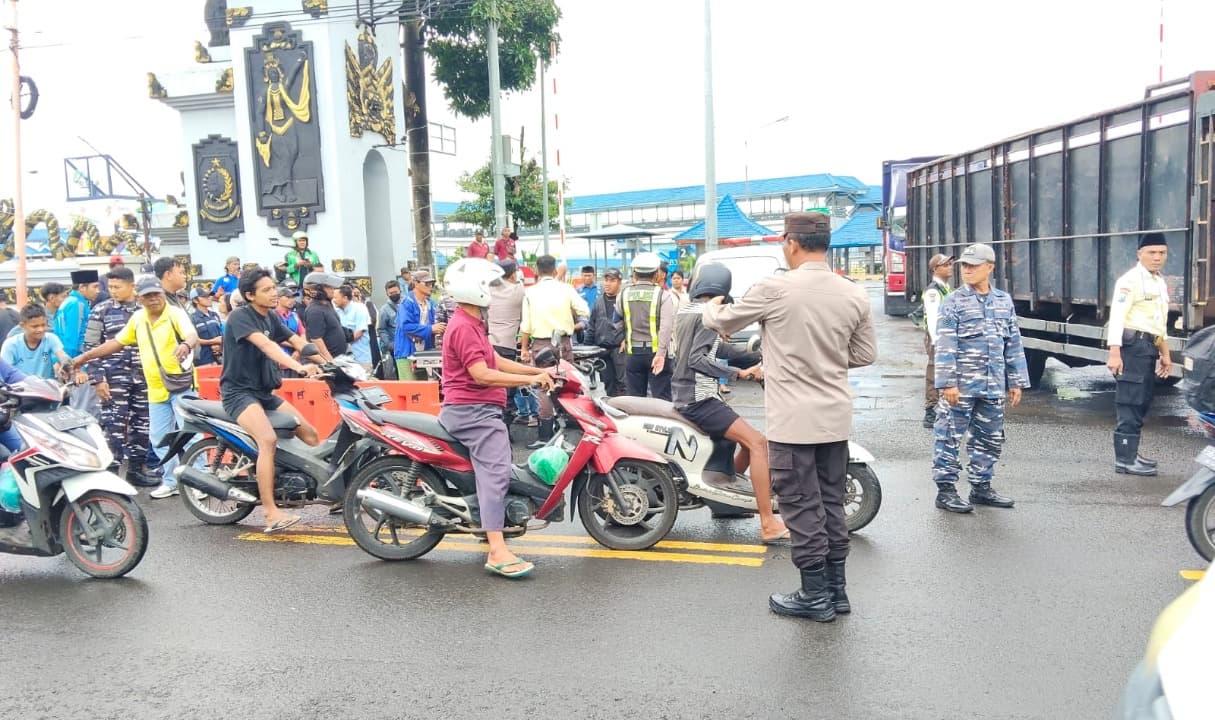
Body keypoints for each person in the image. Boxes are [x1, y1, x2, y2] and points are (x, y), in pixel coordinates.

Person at [703, 211, 876, 621]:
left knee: (799, 505)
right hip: (835, 418)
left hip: (793, 422)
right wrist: (825, 358)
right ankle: (837, 592)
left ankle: (814, 595)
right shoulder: (853, 293)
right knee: (831, 502)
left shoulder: (775, 289)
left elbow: (723, 321)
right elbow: (865, 354)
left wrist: (710, 306)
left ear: (791, 243)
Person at [436, 258, 555, 578]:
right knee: (497, 472)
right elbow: (482, 374)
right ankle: (497, 549)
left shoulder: (471, 322)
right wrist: (529, 381)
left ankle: (489, 526)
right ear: (474, 290)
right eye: (488, 285)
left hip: (478, 409)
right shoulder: (463, 326)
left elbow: (497, 360)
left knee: (494, 470)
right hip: (472, 412)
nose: (492, 291)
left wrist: (537, 371)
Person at [673, 262, 788, 544]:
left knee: (748, 442)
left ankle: (725, 503)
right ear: (722, 291)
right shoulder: (708, 316)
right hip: (699, 399)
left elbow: (717, 348)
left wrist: (755, 358)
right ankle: (768, 523)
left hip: (688, 395)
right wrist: (739, 373)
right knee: (758, 444)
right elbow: (696, 359)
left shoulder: (687, 310)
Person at [72, 275, 200, 500]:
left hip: (180, 385)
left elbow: (191, 333)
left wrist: (186, 345)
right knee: (159, 437)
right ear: (140, 298)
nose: (153, 300)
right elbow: (115, 343)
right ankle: (171, 481)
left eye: (156, 294)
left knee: (190, 434)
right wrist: (85, 358)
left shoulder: (175, 313)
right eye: (148, 296)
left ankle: (201, 481)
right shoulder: (138, 318)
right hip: (154, 388)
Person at [219, 267, 325, 533]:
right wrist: (300, 368)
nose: (273, 293)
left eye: (273, 288)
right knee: (267, 440)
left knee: (310, 434)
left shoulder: (272, 317)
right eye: (266, 290)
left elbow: (298, 342)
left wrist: (332, 365)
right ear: (249, 295)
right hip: (238, 393)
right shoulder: (240, 318)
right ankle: (270, 513)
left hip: (263, 393)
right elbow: (267, 346)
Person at [932, 242, 1030, 514]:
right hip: (960, 386)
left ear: (990, 268)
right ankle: (946, 490)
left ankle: (981, 487)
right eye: (964, 265)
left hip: (993, 385)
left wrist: (1016, 380)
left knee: (989, 439)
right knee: (949, 437)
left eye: (973, 266)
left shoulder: (1003, 301)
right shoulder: (953, 302)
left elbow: (1012, 342)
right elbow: (945, 344)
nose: (966, 270)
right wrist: (948, 383)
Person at [82, 267, 154, 486]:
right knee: (114, 425)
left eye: (117, 287)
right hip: (113, 377)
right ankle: (111, 474)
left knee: (142, 424)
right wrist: (98, 378)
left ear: (132, 286)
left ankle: (136, 470)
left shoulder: (146, 310)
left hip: (143, 376)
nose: (112, 291)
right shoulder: (100, 310)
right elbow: (91, 346)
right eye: (110, 287)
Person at [1107, 232, 1171, 476]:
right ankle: (1124, 459)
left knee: (1142, 400)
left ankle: (1132, 453)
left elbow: (1159, 323)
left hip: (1149, 347)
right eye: (1151, 253)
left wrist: (1165, 354)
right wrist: (1114, 353)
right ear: (1140, 254)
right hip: (1132, 348)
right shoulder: (1130, 280)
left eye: (1162, 253)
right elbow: (1117, 317)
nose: (1157, 258)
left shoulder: (1158, 282)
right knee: (1130, 401)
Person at [519, 254, 590, 448]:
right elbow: (585, 310)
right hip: (564, 342)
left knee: (544, 387)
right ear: (554, 269)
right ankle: (572, 430)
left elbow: (526, 325)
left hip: (541, 345)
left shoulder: (530, 293)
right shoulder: (566, 289)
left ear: (536, 270)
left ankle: (544, 436)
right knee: (568, 384)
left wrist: (524, 348)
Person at [618, 252, 675, 401]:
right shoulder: (663, 295)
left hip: (632, 355)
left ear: (634, 273)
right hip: (656, 354)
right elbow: (666, 328)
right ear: (656, 274)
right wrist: (661, 354)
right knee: (661, 400)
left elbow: (616, 319)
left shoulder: (623, 294)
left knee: (635, 401)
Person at [487, 259, 535, 427]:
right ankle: (504, 429)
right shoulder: (517, 290)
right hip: (507, 346)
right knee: (506, 391)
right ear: (513, 273)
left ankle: (493, 425)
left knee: (491, 388)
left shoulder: (488, 290)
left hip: (489, 344)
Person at [921, 253, 955, 428]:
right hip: (937, 337)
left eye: (950, 264)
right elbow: (934, 319)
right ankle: (930, 410)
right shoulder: (933, 291)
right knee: (934, 372)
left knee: (943, 371)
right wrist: (938, 342)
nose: (950, 266)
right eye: (946, 265)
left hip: (945, 336)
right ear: (935, 269)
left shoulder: (945, 288)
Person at [1, 304, 74, 379]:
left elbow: (61, 354)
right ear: (22, 325)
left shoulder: (50, 339)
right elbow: (5, 371)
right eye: (35, 326)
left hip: (46, 387)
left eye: (43, 325)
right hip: (21, 388)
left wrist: (65, 362)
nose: (40, 329)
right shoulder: (11, 345)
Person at [394, 269, 443, 379]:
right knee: (411, 391)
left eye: (432, 283)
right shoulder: (406, 303)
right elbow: (406, 326)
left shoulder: (430, 304)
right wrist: (430, 329)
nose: (430, 286)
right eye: (427, 283)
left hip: (424, 353)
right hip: (407, 352)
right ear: (416, 283)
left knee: (424, 390)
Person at [588, 268, 626, 396]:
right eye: (606, 280)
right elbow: (592, 326)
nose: (608, 284)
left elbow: (633, 323)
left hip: (620, 349)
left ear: (619, 282)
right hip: (603, 350)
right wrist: (588, 350)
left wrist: (627, 339)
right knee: (608, 383)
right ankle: (611, 410)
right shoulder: (598, 301)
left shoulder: (625, 300)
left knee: (623, 384)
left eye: (612, 280)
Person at [300, 271, 348, 361]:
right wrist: (331, 363)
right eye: (329, 287)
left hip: (338, 360)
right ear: (318, 290)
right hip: (325, 365)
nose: (333, 289)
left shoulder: (327, 305)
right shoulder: (314, 310)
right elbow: (316, 340)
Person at [54, 269, 100, 358]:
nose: (98, 291)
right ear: (82, 287)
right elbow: (72, 337)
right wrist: (71, 364)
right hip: (74, 357)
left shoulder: (70, 301)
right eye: (95, 287)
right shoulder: (77, 304)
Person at [335, 284, 372, 373]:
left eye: (336, 298)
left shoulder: (360, 308)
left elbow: (359, 333)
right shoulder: (336, 312)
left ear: (345, 298)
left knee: (364, 386)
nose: (334, 300)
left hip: (361, 359)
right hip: (343, 360)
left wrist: (341, 341)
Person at [188, 288, 224, 366]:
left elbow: (222, 335)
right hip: (203, 362)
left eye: (209, 296)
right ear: (195, 300)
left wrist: (220, 346)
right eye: (205, 296)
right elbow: (193, 340)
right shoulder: (192, 319)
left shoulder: (215, 315)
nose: (209, 298)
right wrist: (213, 341)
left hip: (220, 360)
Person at [377, 280, 402, 379]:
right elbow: (381, 329)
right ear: (387, 293)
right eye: (391, 293)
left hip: (407, 346)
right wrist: (390, 344)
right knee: (395, 375)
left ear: (400, 290)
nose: (393, 295)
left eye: (395, 292)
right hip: (393, 348)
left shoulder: (406, 304)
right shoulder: (384, 310)